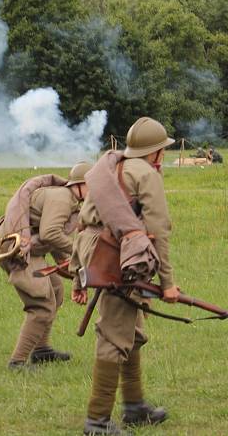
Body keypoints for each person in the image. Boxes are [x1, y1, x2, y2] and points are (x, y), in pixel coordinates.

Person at [71, 117, 180, 435]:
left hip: (96, 253)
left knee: (131, 331)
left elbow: (83, 226)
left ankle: (134, 407)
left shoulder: (107, 169)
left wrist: (78, 276)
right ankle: (97, 422)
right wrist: (168, 284)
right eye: (163, 151)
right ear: (156, 153)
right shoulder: (146, 174)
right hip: (119, 260)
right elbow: (158, 232)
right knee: (114, 336)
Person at [0, 162, 92, 370]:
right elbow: (50, 233)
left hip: (26, 250)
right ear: (80, 184)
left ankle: (41, 350)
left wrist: (68, 264)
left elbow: (49, 235)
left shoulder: (67, 198)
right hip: (17, 252)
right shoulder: (62, 198)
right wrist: (79, 253)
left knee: (56, 289)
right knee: (41, 305)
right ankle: (17, 362)